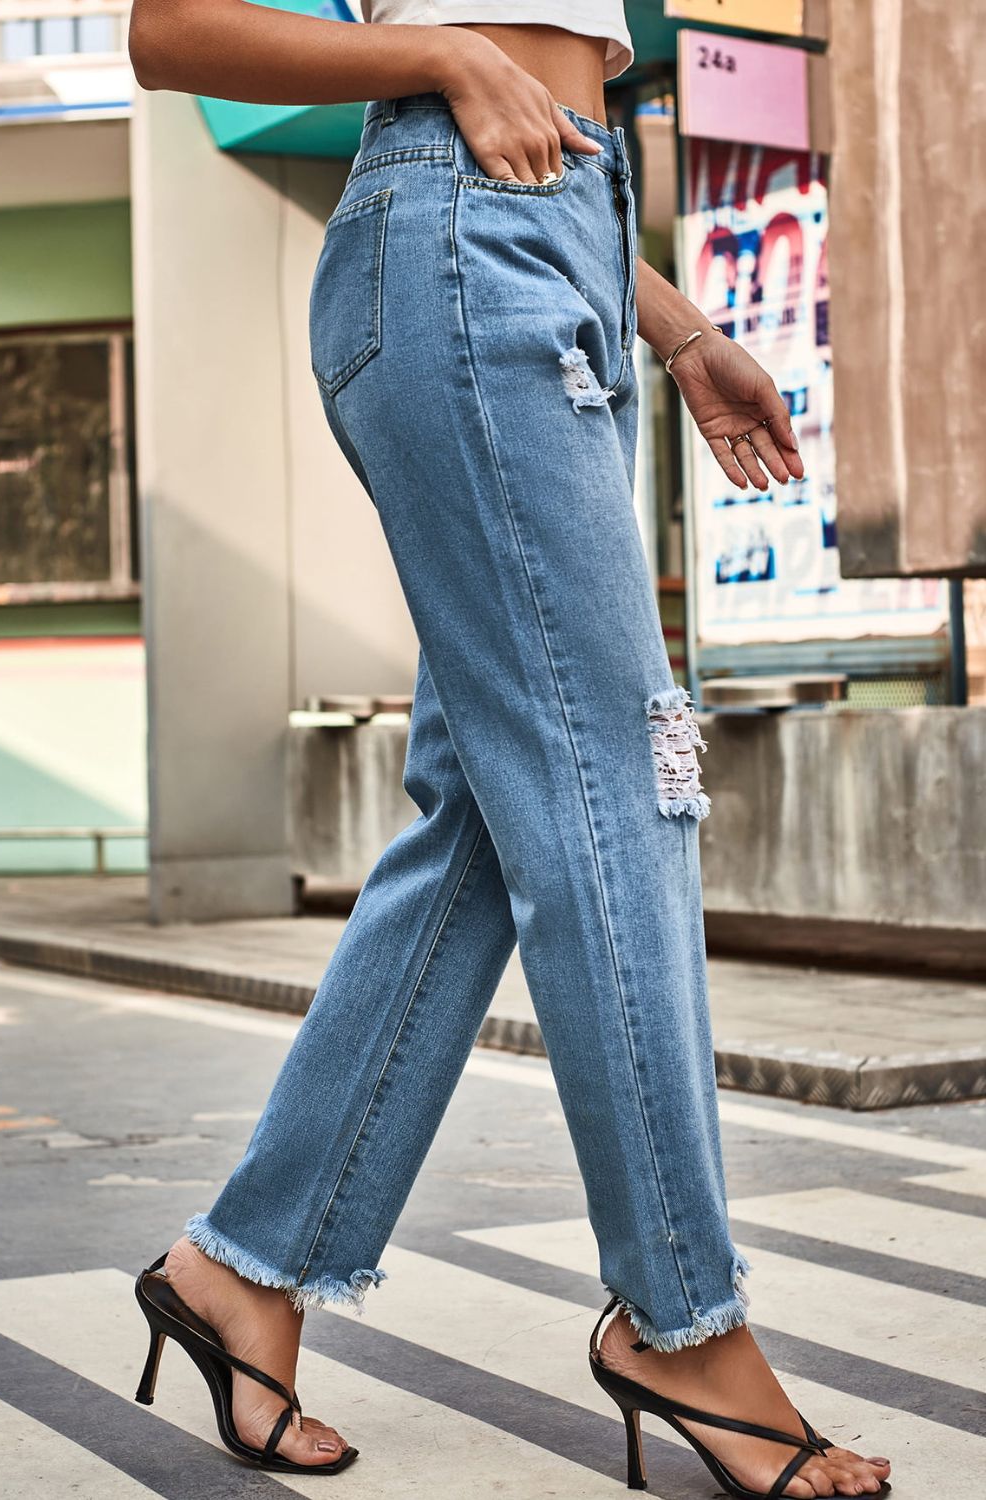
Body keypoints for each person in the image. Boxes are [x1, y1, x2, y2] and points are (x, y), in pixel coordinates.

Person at [126, 4, 891, 1496]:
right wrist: (442, 60)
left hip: (561, 243)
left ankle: (246, 1271)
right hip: (456, 248)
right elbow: (169, 31)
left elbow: (533, 82)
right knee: (619, 783)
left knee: (485, 823)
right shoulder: (430, 82)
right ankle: (682, 1316)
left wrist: (674, 328)